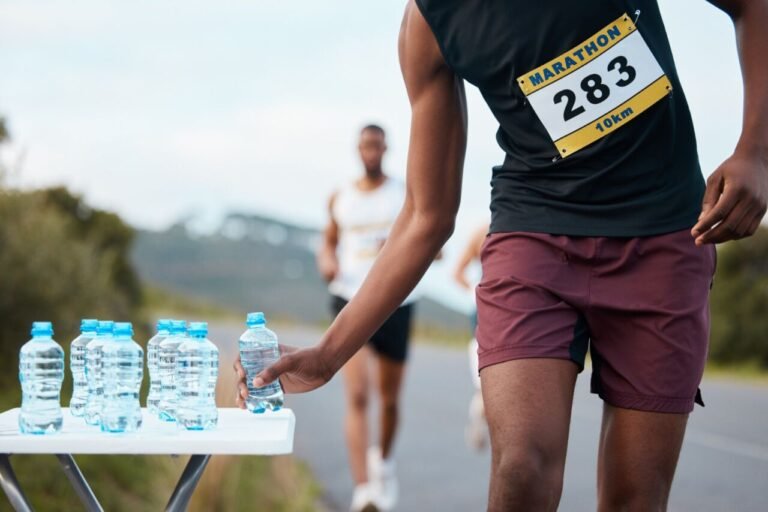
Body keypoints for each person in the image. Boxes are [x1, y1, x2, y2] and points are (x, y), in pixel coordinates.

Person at [236, 1, 768, 510]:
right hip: (534, 240)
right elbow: (427, 216)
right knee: (522, 470)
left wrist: (756, 153)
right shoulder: (429, 23)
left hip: (663, 238)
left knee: (636, 498)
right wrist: (328, 355)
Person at [319, 124, 414, 512]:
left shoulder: (403, 193)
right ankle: (363, 491)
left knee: (389, 399)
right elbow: (328, 239)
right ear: (358, 150)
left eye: (376, 145)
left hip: (397, 300)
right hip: (349, 298)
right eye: (364, 146)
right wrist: (327, 260)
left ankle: (385, 465)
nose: (370, 151)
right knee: (357, 395)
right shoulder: (340, 196)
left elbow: (429, 236)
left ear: (386, 148)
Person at [453, 224, 489, 451]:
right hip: (483, 312)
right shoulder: (481, 232)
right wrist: (476, 292)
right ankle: (480, 419)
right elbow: (457, 272)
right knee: (486, 382)